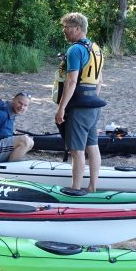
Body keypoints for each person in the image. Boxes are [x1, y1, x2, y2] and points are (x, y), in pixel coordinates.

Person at [52, 12, 106, 195]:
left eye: (66, 27)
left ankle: (75, 188)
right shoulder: (96, 49)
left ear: (77, 28)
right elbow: (99, 80)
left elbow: (71, 82)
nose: (64, 31)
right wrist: (92, 100)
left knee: (77, 150)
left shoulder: (75, 50)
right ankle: (92, 187)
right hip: (93, 104)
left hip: (79, 106)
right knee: (93, 146)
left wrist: (62, 108)